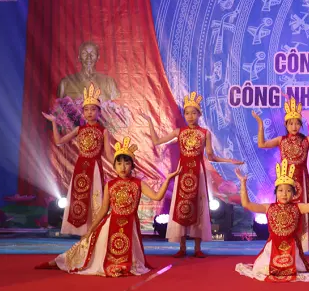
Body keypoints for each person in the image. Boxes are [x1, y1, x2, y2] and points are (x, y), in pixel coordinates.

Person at [35, 137, 179, 276]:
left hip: (131, 226)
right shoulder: (110, 185)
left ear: (132, 166)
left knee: (127, 258)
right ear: (114, 166)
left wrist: (167, 180)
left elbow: (157, 196)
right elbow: (104, 210)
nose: (123, 167)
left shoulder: (138, 183)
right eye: (119, 163)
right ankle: (58, 261)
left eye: (126, 163)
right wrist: (91, 230)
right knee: (86, 250)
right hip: (111, 225)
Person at [144, 92, 243, 258]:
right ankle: (182, 247)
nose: (190, 116)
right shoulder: (179, 132)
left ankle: (198, 247)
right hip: (182, 173)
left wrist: (228, 160)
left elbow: (211, 156)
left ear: (199, 114)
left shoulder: (205, 133)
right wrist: (149, 123)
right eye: (187, 113)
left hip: (198, 173)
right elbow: (157, 142)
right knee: (181, 206)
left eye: (194, 113)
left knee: (199, 207)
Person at [234, 160, 309, 282]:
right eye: (280, 190)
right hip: (272, 247)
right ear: (276, 193)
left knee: (297, 270)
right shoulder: (268, 207)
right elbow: (246, 204)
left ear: (294, 194)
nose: (284, 194)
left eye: (288, 191)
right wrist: (243, 183)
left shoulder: (298, 207)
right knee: (262, 270)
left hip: (292, 248)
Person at [252, 96, 309, 252]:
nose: (294, 126)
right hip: (284, 182)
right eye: (291, 123)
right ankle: (283, 244)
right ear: (286, 125)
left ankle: (301, 247)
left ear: (301, 125)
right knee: (284, 211)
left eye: (297, 123)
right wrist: (260, 124)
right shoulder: (281, 140)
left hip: (301, 180)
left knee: (301, 211)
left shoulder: (306, 140)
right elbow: (262, 144)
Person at [42, 83, 111, 236]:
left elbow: (109, 155)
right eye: (86, 109)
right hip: (81, 168)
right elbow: (59, 142)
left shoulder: (103, 131)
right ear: (83, 112)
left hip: (95, 168)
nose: (89, 112)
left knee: (95, 198)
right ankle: (80, 231)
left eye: (93, 109)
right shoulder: (79, 129)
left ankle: (94, 230)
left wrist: (123, 166)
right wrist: (54, 122)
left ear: (99, 112)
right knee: (79, 198)